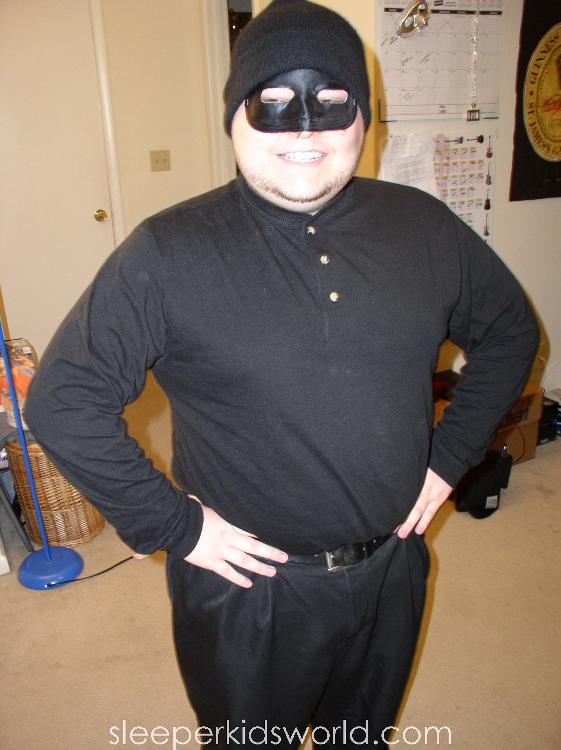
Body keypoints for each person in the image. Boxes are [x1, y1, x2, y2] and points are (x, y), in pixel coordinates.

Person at [25, 0, 539, 746]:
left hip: (391, 567)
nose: (304, 131)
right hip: (249, 591)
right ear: (233, 117)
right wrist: (175, 525)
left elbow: (510, 332)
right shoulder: (167, 253)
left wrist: (449, 458)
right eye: (272, 103)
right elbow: (63, 401)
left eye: (331, 103)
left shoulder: (423, 227)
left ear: (363, 119)